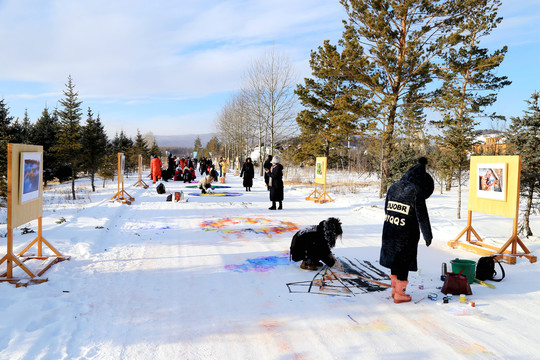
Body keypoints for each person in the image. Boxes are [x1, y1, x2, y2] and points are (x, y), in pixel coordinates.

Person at [379, 157, 434, 304]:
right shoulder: (416, 191)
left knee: (393, 261)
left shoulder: (393, 187)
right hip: (406, 234)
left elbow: (387, 209)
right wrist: (428, 236)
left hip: (389, 229)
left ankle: (394, 290)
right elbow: (422, 216)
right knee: (403, 263)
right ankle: (400, 294)